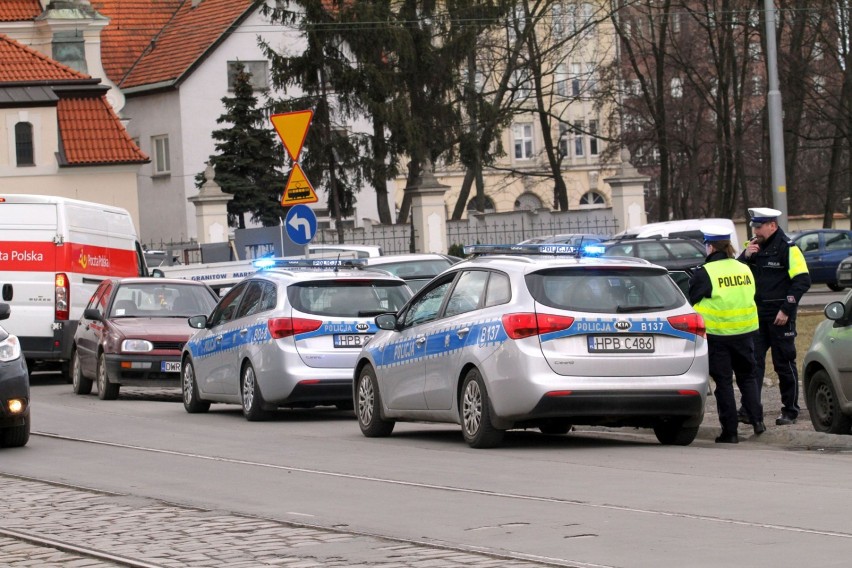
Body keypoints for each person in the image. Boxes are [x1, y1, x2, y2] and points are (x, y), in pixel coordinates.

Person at [689, 226, 764, 443]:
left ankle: (730, 433)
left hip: (718, 336)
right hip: (745, 333)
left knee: (723, 383)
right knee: (748, 378)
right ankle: (757, 421)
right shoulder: (743, 268)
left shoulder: (705, 273)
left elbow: (693, 298)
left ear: (710, 247)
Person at [738, 207, 811, 426]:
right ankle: (750, 409)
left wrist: (786, 309)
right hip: (757, 315)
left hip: (780, 316)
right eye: (754, 227)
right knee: (753, 364)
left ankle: (790, 410)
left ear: (772, 225)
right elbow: (738, 274)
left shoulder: (788, 248)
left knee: (784, 363)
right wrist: (744, 256)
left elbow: (802, 281)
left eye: (759, 227)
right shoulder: (753, 247)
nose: (756, 231)